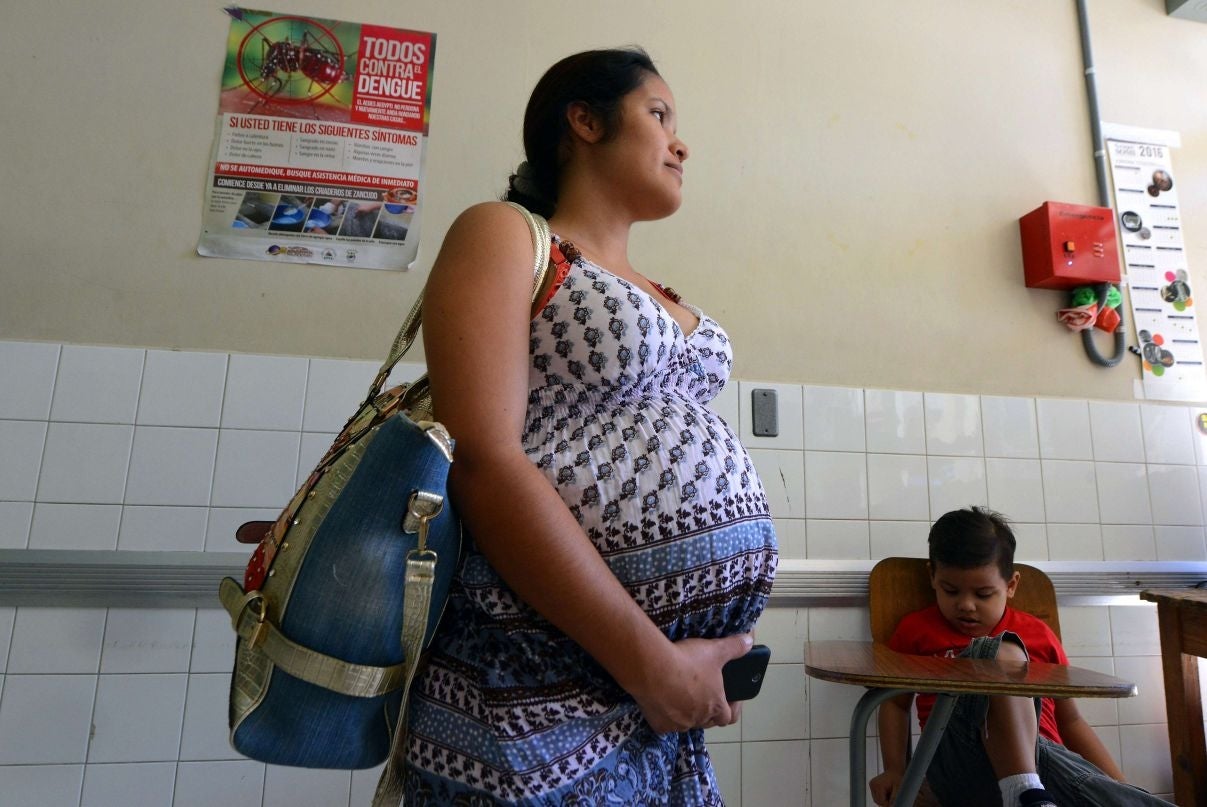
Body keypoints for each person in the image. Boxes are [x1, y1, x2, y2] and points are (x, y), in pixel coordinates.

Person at [404, 47, 778, 804]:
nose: (681, 143)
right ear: (583, 120)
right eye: (658, 115)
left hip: (655, 710)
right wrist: (651, 664)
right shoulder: (505, 233)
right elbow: (483, 457)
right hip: (529, 684)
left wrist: (681, 666)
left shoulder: (658, 288)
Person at [870, 507, 1172, 807]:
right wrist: (896, 770)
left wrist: (1116, 787)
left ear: (1011, 585)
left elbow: (1071, 721)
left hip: (1045, 760)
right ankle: (1025, 792)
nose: (966, 605)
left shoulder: (1038, 634)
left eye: (983, 594)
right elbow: (894, 704)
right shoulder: (917, 631)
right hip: (961, 760)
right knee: (999, 652)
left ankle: (1031, 793)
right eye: (950, 591)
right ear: (932, 577)